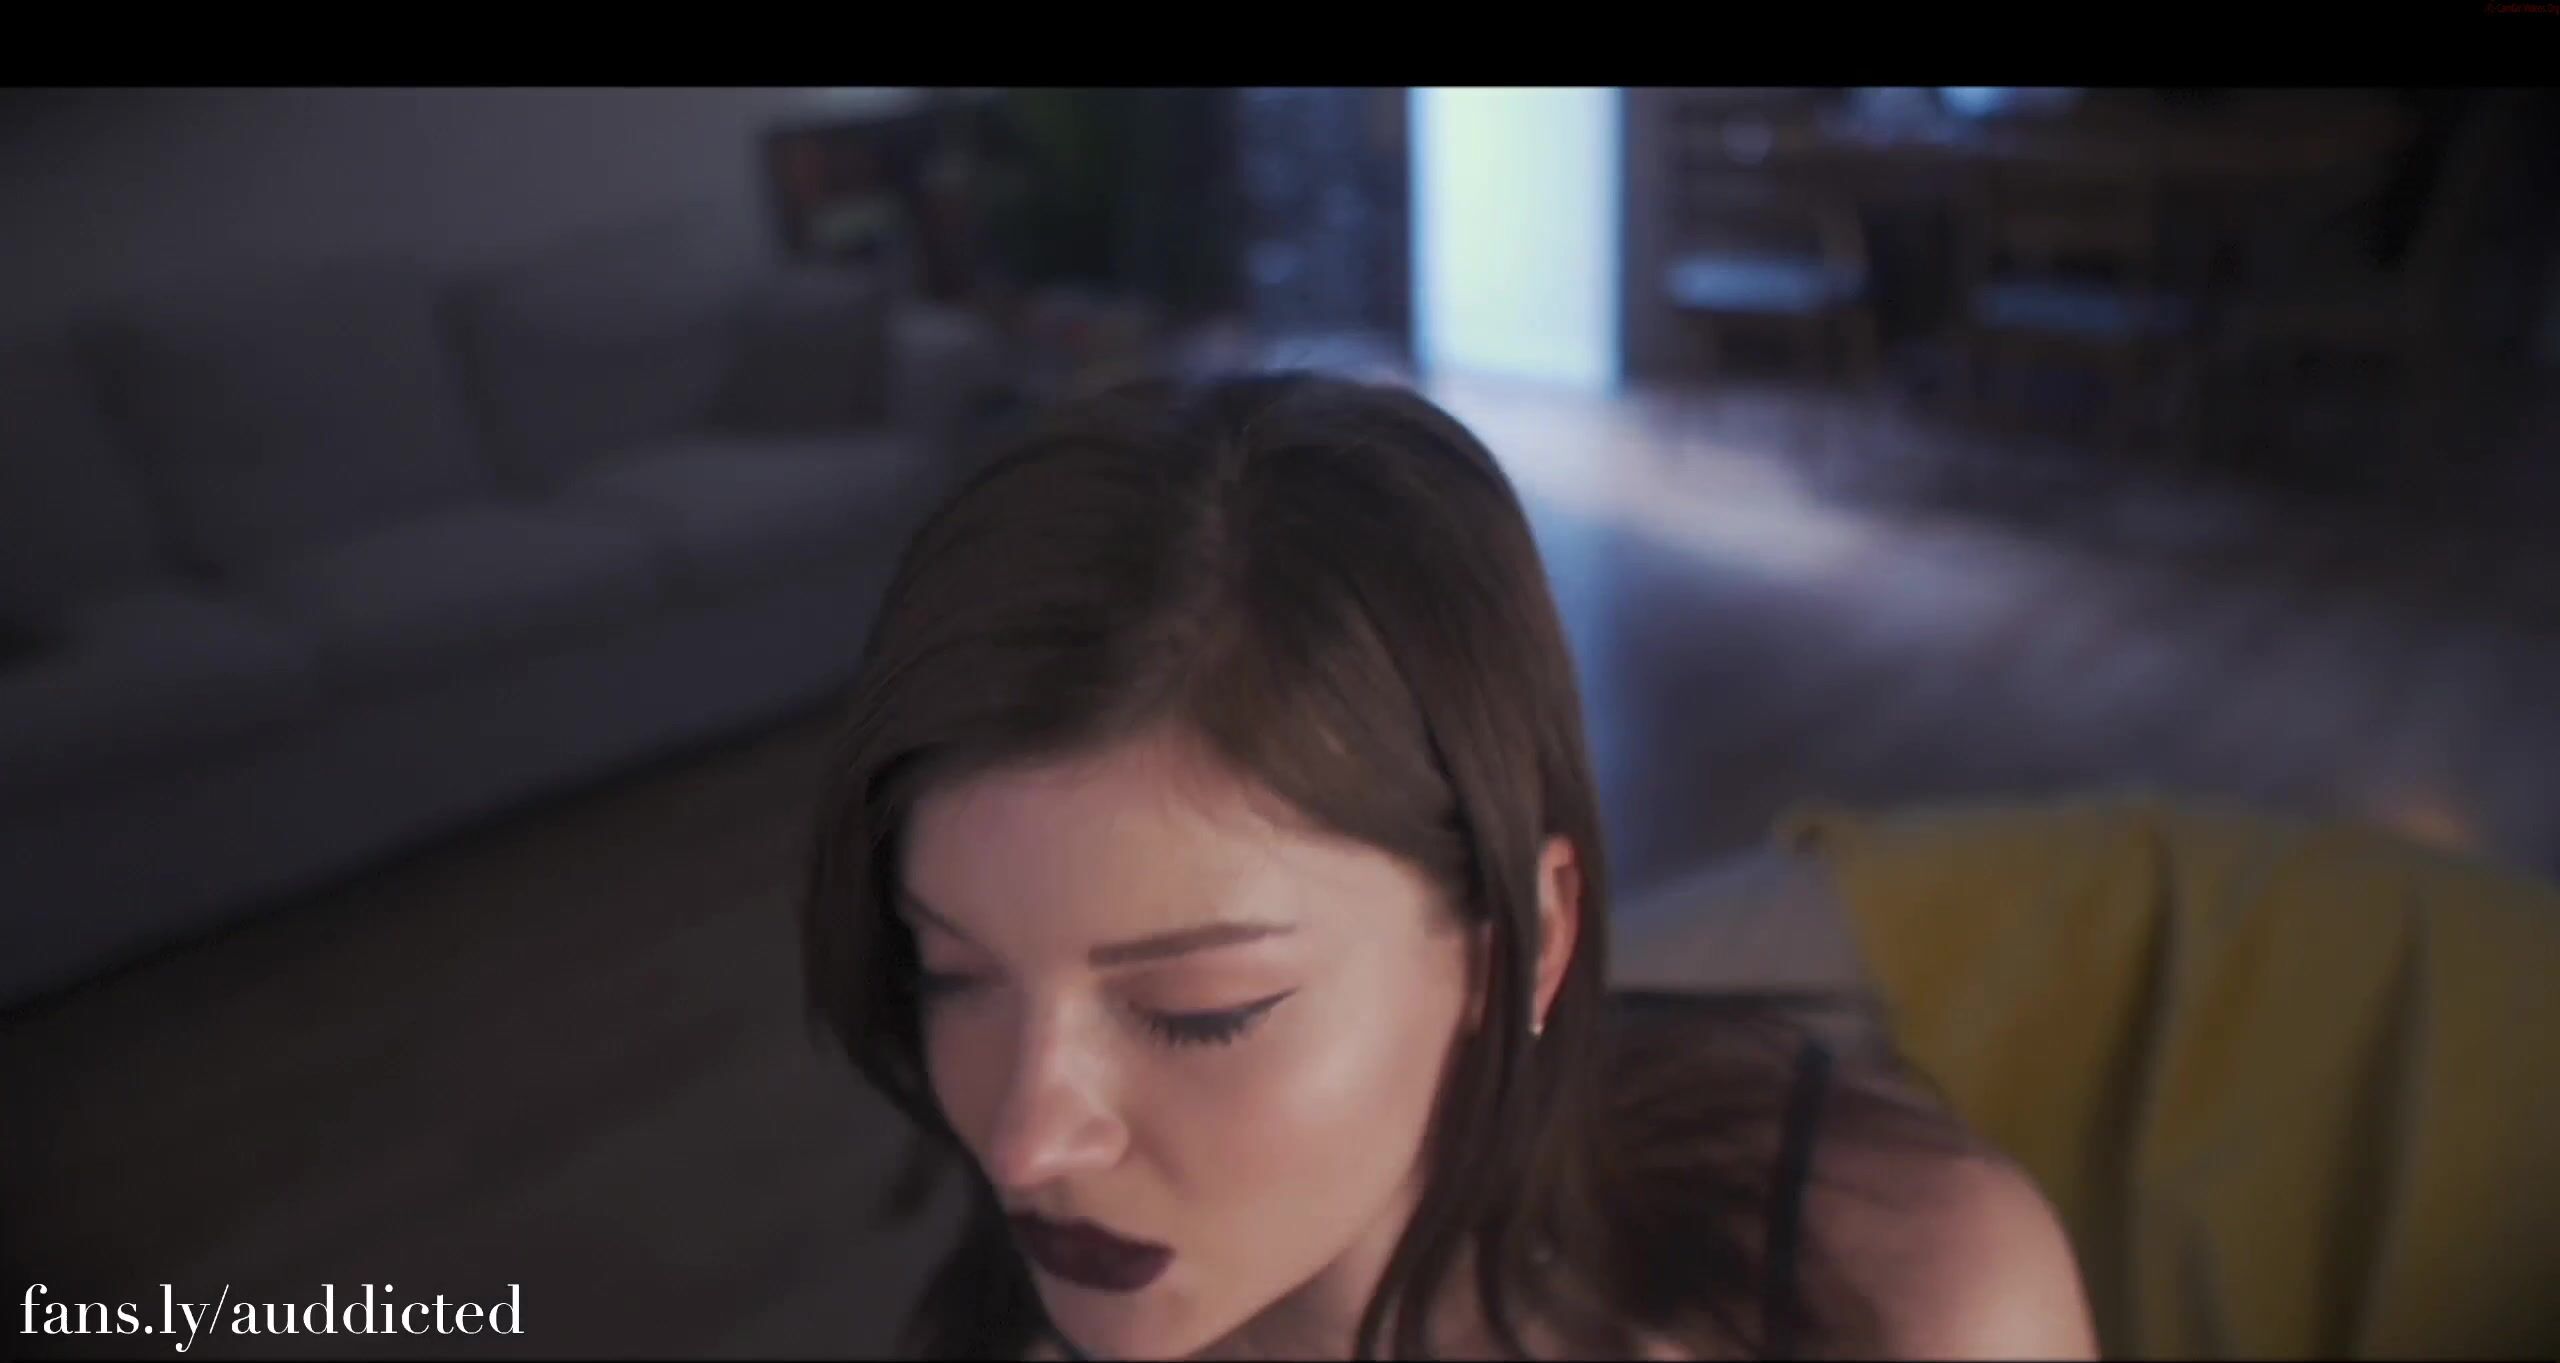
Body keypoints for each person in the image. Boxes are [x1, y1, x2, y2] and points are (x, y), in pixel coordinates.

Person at [799, 372, 2099, 1360]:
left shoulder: (1908, 1302)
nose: (1025, 1142)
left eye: (1201, 1013)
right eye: (954, 973)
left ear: (1523, 943)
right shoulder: (1043, 1297)